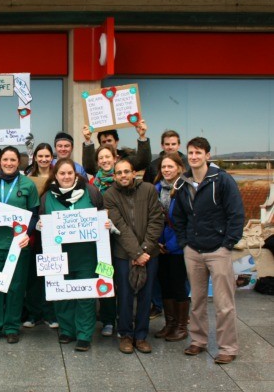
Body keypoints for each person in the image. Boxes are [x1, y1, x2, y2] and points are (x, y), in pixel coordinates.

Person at [172, 137, 244, 364]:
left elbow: (236, 214)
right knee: (197, 300)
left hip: (218, 249)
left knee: (224, 303)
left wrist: (227, 244)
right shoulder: (183, 184)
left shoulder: (222, 180)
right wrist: (184, 242)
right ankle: (198, 341)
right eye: (191, 153)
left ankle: (228, 348)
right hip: (193, 250)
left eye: (198, 152)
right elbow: (179, 217)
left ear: (207, 156)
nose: (194, 156)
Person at [39, 159, 107, 351]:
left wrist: (106, 224)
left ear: (76, 175)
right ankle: (67, 330)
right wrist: (40, 226)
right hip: (58, 254)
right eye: (62, 173)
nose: (66, 177)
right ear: (56, 176)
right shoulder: (47, 197)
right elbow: (41, 222)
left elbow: (102, 215)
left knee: (86, 294)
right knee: (62, 294)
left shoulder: (91, 192)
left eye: (70, 173)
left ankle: (84, 334)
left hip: (86, 254)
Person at [0, 146, 40, 345]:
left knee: (15, 288)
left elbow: (33, 215)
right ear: (0, 161)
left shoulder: (28, 185)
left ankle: (12, 327)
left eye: (12, 160)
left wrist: (27, 234)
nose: (8, 163)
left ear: (18, 162)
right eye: (5, 159)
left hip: (17, 245)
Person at [103, 158, 163, 354]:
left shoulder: (148, 190)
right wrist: (136, 253)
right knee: (126, 294)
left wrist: (145, 250)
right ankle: (126, 334)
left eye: (126, 171)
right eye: (119, 173)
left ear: (134, 172)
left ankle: (141, 336)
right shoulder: (110, 195)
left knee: (146, 295)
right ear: (114, 176)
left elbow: (156, 220)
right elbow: (119, 226)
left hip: (149, 253)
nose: (123, 176)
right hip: (123, 253)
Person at [153, 152, 189, 342]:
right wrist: (157, 242)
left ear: (179, 168)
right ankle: (170, 324)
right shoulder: (156, 188)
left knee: (178, 285)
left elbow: (188, 221)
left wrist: (173, 244)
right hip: (160, 245)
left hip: (178, 246)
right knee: (165, 285)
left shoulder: (185, 188)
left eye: (170, 167)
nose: (166, 170)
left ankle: (182, 326)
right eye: (164, 167)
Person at [22, 143, 57, 329]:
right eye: (40, 156)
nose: (43, 159)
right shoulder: (27, 179)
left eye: (47, 156)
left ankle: (51, 313)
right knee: (33, 275)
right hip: (33, 233)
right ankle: (34, 313)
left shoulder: (58, 176)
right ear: (35, 157)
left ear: (52, 157)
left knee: (51, 272)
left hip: (54, 232)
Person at [90, 144, 119, 337]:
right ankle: (105, 317)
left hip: (119, 238)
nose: (104, 160)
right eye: (101, 158)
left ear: (114, 158)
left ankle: (114, 318)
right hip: (98, 239)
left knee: (118, 280)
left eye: (108, 157)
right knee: (103, 275)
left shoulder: (121, 180)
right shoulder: (93, 184)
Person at [81, 121, 151, 176]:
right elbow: (89, 167)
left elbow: (143, 162)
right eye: (104, 142)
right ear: (100, 144)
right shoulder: (100, 161)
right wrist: (88, 140)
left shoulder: (127, 158)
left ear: (116, 141)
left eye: (109, 140)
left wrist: (142, 136)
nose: (107, 144)